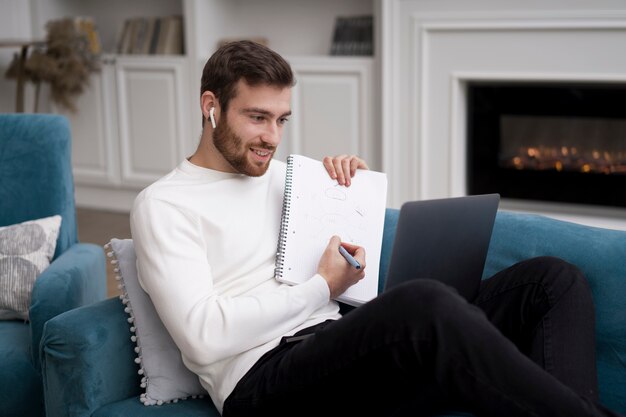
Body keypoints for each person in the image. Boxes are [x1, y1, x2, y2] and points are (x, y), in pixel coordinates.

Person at [130, 40, 621, 417]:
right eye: (257, 118)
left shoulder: (288, 175)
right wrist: (322, 287)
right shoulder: (165, 204)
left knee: (551, 281)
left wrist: (349, 199)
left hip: (343, 344)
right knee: (423, 303)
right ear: (210, 105)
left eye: (281, 119)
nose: (272, 138)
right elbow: (202, 337)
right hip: (262, 383)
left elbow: (346, 272)